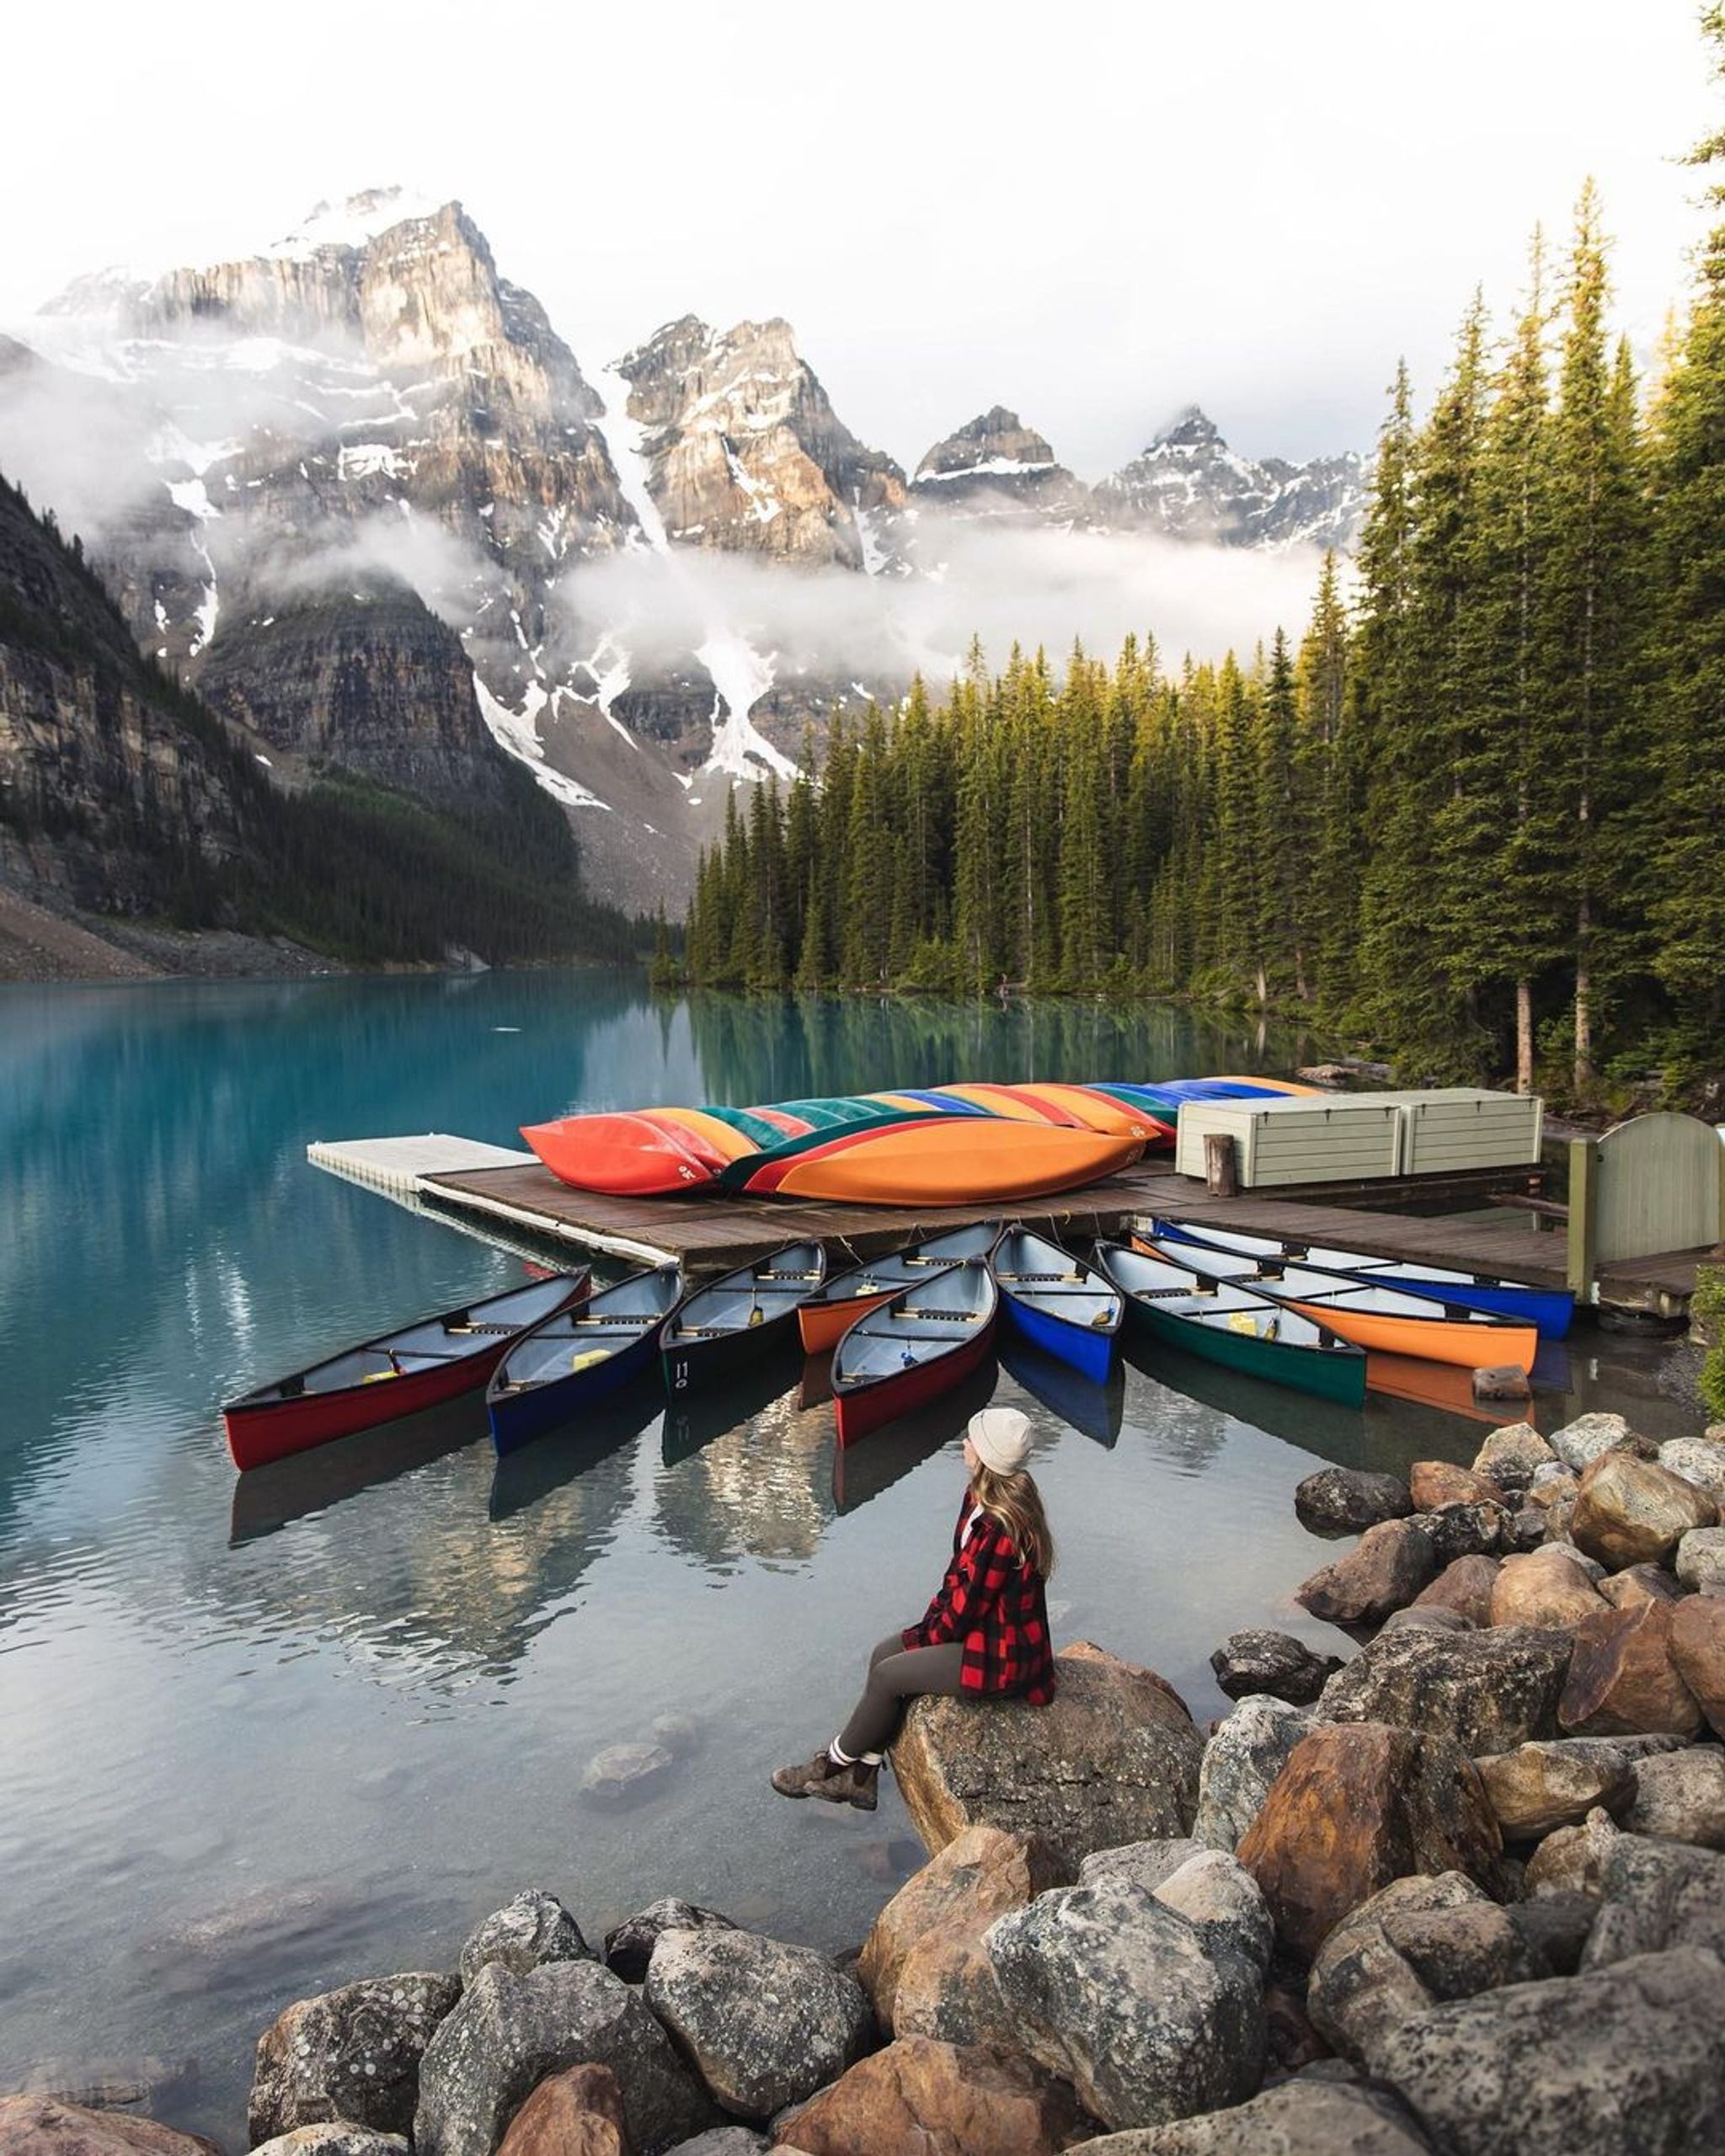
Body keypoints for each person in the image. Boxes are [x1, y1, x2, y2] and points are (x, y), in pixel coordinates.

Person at [771, 1405, 1057, 1812]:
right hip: (984, 1634)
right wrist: (924, 1631)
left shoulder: (1000, 1526)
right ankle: (864, 1777)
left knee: (890, 1676)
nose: (965, 1444)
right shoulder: (980, 1497)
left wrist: (926, 1639)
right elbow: (956, 1580)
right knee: (883, 1653)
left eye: (972, 1440)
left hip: (1002, 1656)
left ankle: (830, 1766)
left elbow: (966, 1609)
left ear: (987, 1457)